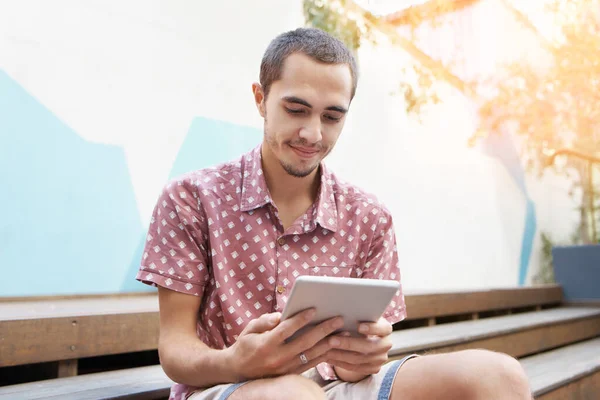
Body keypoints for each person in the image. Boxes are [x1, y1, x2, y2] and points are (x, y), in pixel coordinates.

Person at [136, 27, 531, 400]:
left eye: (332, 116)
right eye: (296, 109)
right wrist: (234, 361)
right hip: (226, 385)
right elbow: (175, 350)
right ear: (260, 98)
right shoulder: (191, 199)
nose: (313, 134)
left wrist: (363, 359)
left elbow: (365, 355)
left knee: (500, 376)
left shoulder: (369, 217)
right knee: (296, 395)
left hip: (331, 387)